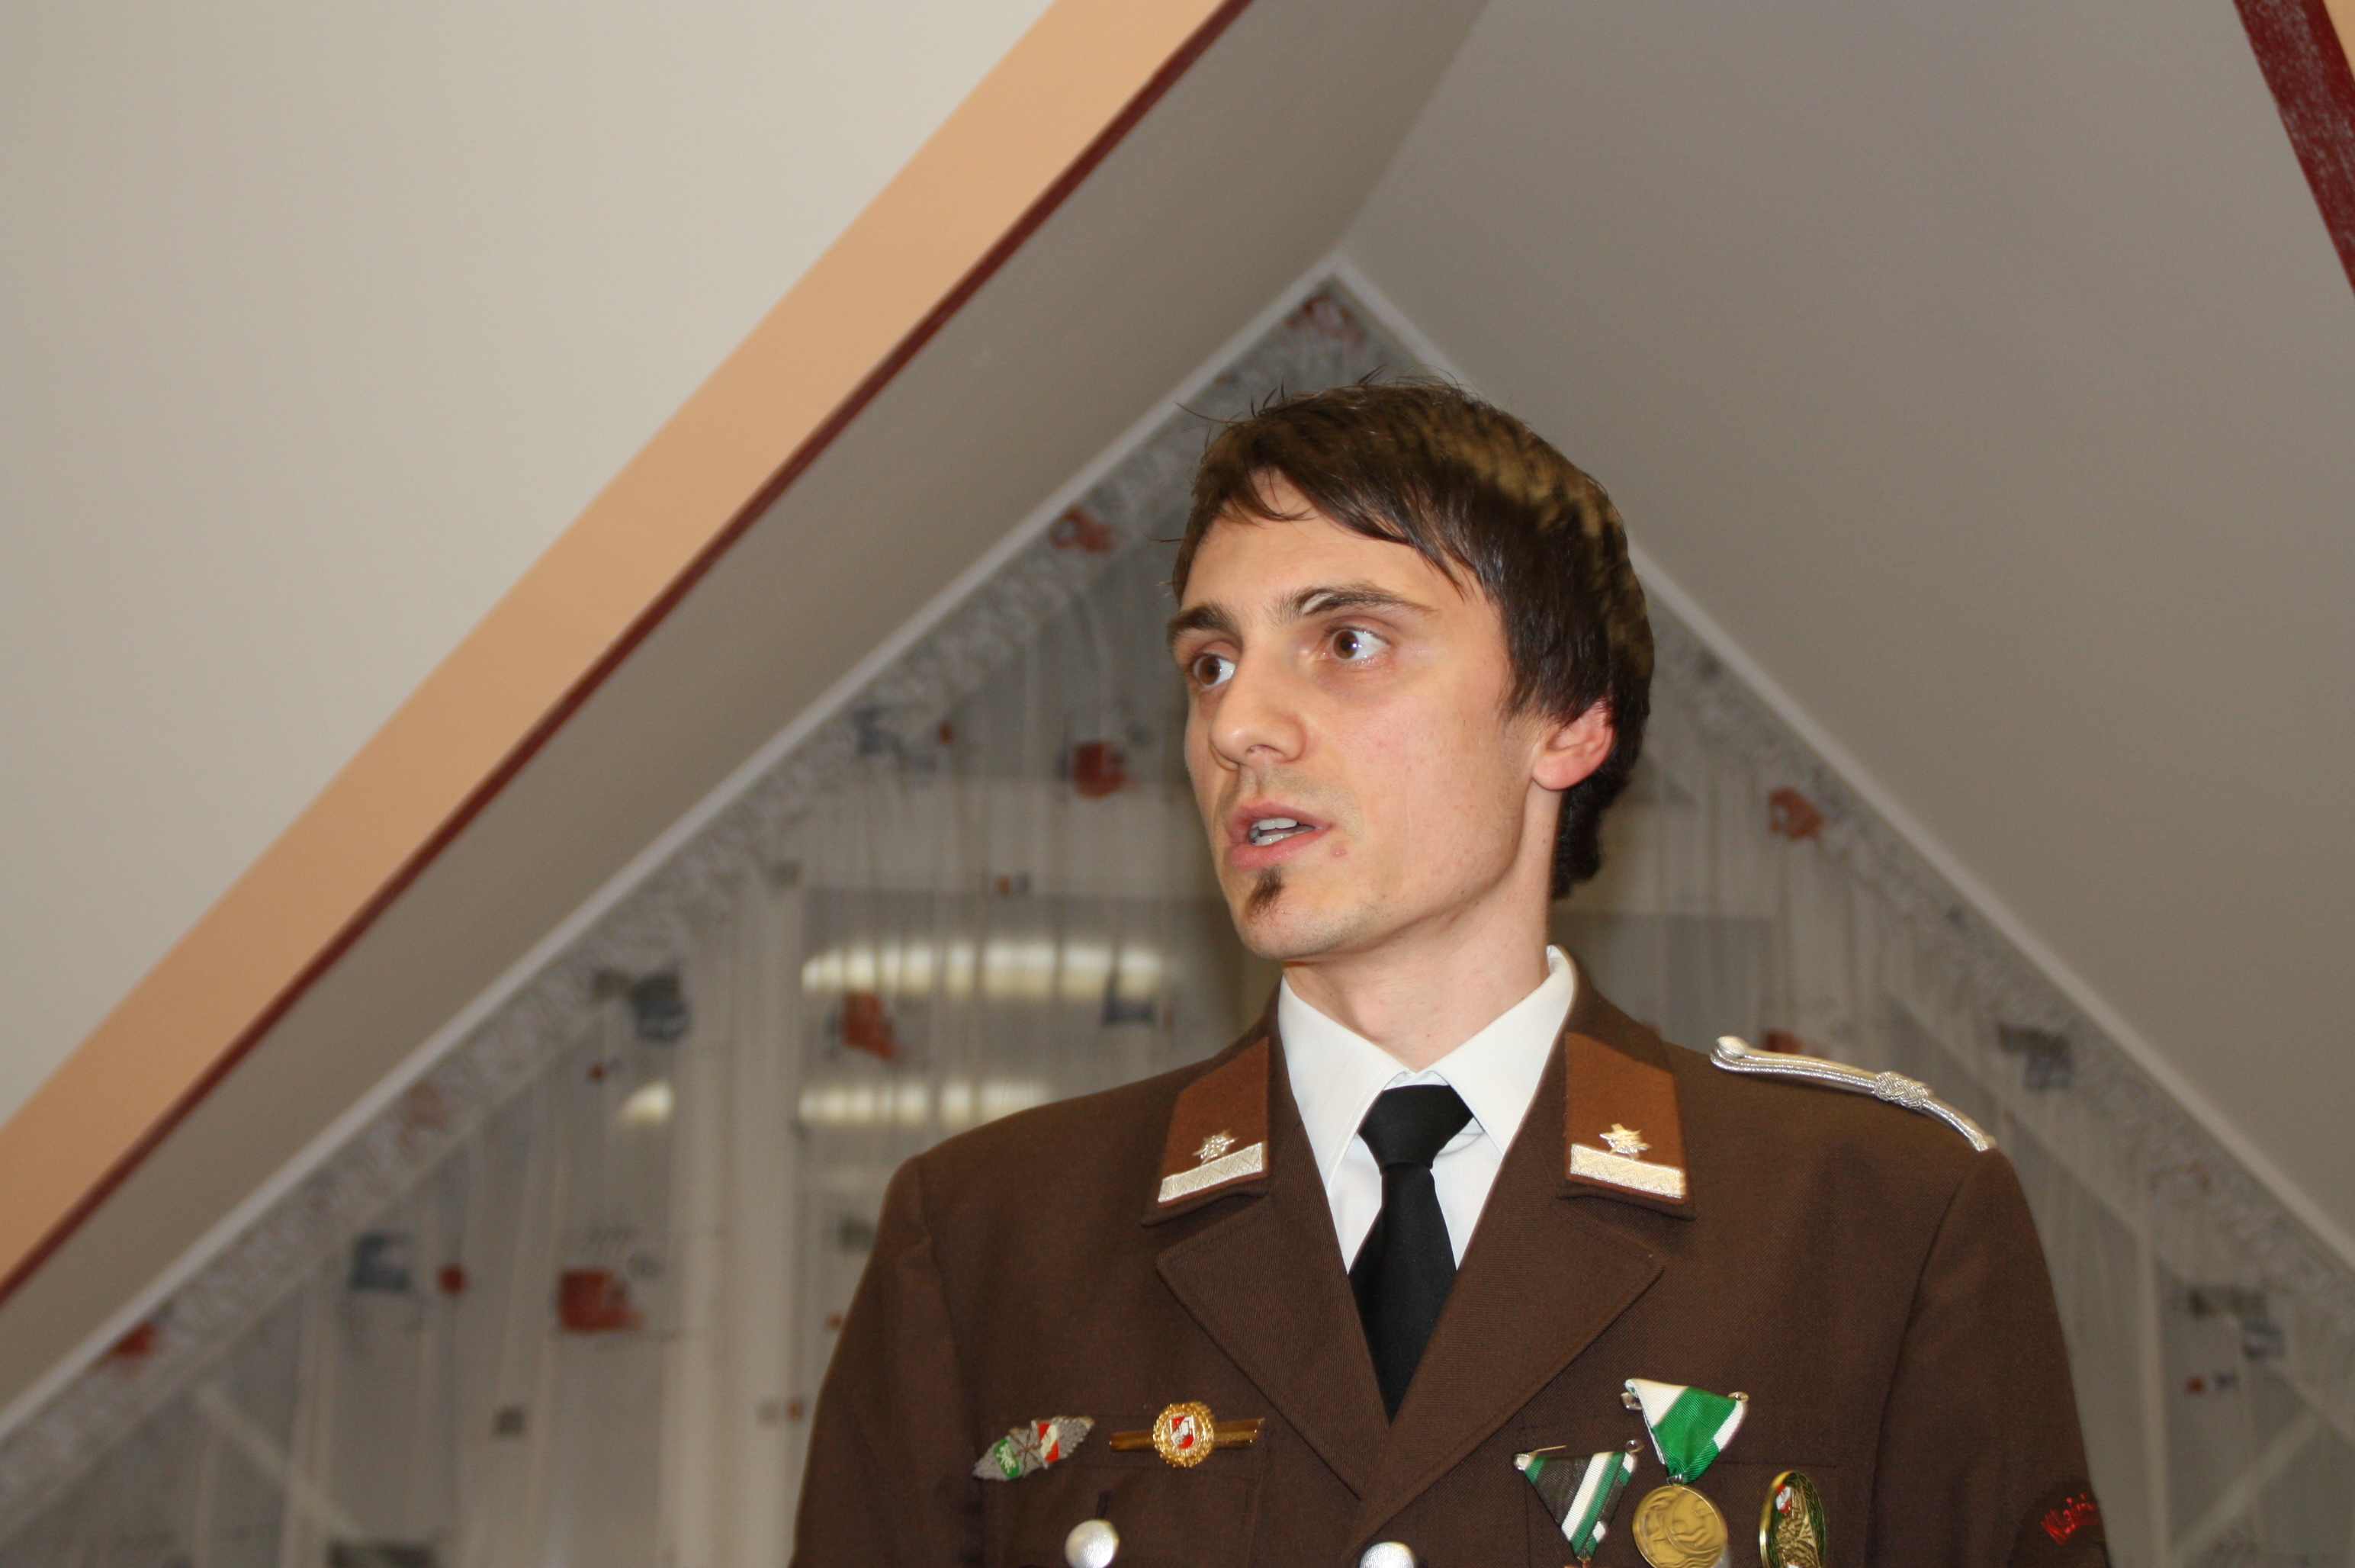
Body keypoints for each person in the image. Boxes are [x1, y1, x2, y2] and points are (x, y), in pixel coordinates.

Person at [791, 383, 2106, 1567]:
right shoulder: (990, 1238)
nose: (1238, 724)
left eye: (1348, 642)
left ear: (1568, 719)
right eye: (1211, 664)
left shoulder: (1875, 1220)